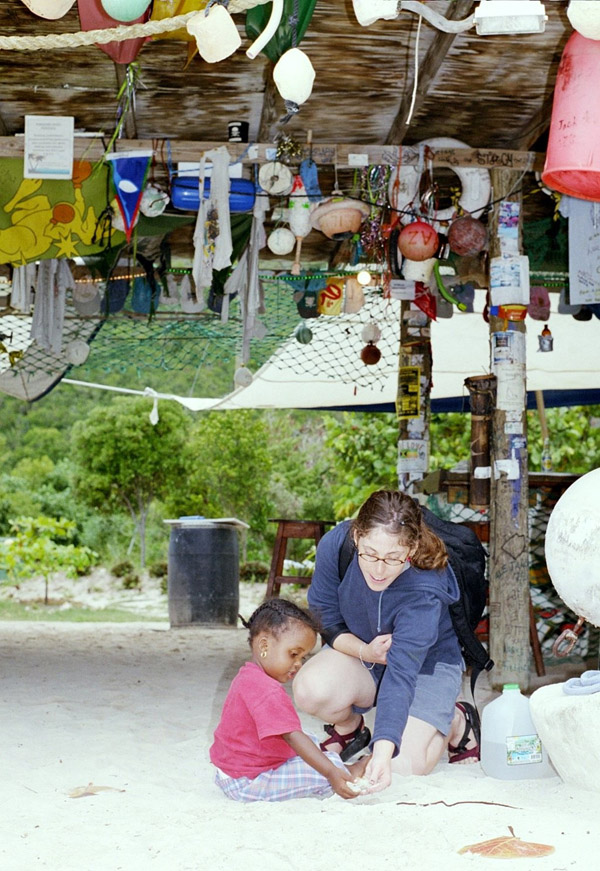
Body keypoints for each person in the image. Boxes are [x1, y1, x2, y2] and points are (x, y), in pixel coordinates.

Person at [293, 490, 481, 795]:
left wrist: (382, 753)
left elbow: (402, 673)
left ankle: (456, 718)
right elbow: (325, 615)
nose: (378, 570)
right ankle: (350, 728)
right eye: (369, 554)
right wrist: (364, 650)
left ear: (413, 546)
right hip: (366, 652)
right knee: (310, 690)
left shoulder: (426, 582)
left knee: (404, 763)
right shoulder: (335, 544)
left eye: (393, 558)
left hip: (424, 666)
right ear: (356, 536)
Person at [209, 597, 369, 802]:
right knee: (320, 768)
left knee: (309, 738)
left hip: (229, 772)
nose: (298, 664)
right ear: (264, 645)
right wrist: (330, 772)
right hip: (249, 781)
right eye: (293, 654)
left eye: (302, 657)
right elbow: (292, 736)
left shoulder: (247, 676)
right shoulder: (267, 691)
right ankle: (347, 770)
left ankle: (333, 763)